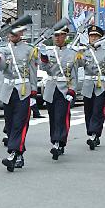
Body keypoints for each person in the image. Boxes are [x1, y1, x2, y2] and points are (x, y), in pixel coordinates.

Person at [0, 20, 38, 172]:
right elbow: (2, 67)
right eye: (10, 32)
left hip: (23, 89)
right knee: (9, 124)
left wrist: (34, 94)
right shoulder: (4, 49)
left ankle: (13, 153)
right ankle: (19, 154)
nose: (12, 35)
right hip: (8, 90)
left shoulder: (30, 50)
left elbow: (33, 73)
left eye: (15, 32)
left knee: (20, 123)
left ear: (21, 33)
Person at [38, 25, 78, 160]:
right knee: (53, 116)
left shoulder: (72, 54)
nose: (57, 38)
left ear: (65, 37)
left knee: (62, 116)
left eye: (60, 35)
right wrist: (43, 56)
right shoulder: (49, 52)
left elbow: (74, 75)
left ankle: (58, 141)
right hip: (51, 88)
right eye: (55, 35)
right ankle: (55, 140)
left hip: (64, 88)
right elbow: (45, 68)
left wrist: (72, 90)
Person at [79, 25, 105, 150]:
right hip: (87, 85)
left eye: (96, 36)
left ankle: (94, 133)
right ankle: (91, 132)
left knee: (98, 110)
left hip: (100, 85)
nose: (93, 38)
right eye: (92, 36)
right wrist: (78, 53)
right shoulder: (85, 51)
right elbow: (80, 64)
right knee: (88, 110)